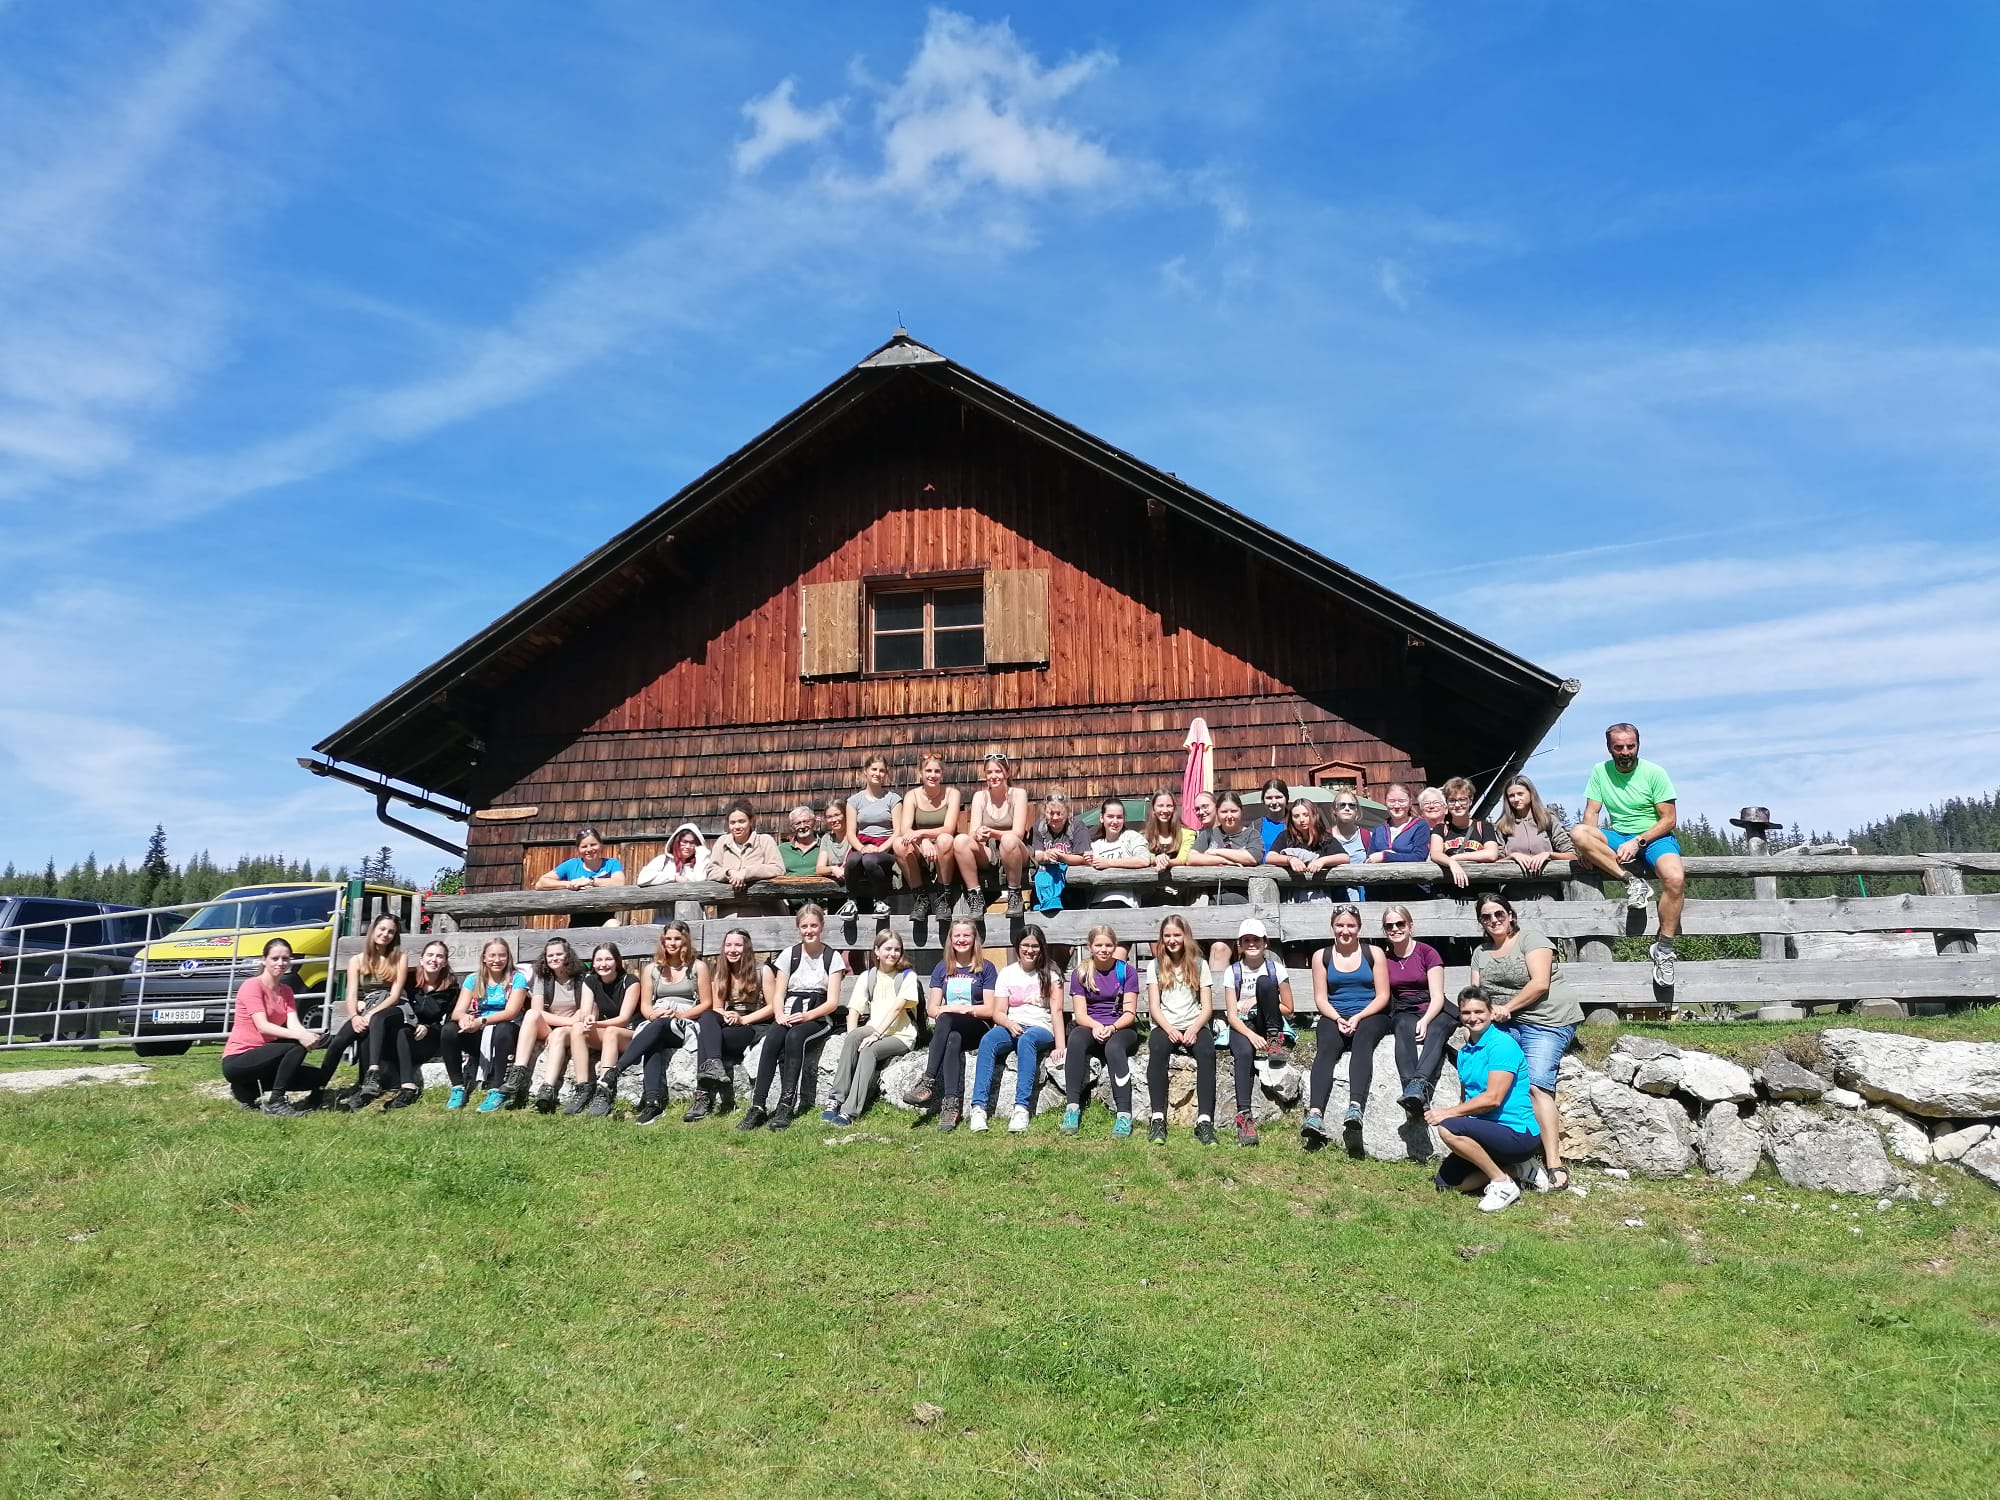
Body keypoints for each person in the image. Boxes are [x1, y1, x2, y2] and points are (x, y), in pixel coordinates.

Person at [1472, 892, 1580, 1191]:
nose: (1493, 920)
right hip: (1506, 1022)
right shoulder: (1480, 952)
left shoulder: (1532, 939)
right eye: (1486, 917)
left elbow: (1540, 983)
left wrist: (1507, 1007)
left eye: (1499, 914)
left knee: (1535, 1084)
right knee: (1495, 1078)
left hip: (1547, 1020)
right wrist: (1484, 1012)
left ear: (1510, 915)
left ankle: (1553, 1161)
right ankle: (1504, 1152)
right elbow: (1476, 991)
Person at [1570, 723, 1686, 986]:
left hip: (1655, 836)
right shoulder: (1600, 771)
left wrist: (1638, 841)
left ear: (1638, 745)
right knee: (1579, 833)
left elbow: (1669, 819)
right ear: (1609, 748)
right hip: (1618, 835)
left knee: (1675, 878)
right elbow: (1592, 812)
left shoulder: (1655, 773)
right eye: (1618, 747)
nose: (1625, 752)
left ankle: (1664, 949)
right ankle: (1633, 882)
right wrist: (1585, 848)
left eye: (1630, 746)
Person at [1426, 989, 1542, 1212]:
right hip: (1485, 1131)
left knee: (1447, 1128)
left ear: (1491, 1013)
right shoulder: (1465, 1053)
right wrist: (1458, 1114)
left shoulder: (1502, 1045)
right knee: (1447, 1185)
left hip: (1516, 1132)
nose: (1473, 1017)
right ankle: (1518, 1170)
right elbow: (1466, 1099)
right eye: (1466, 1012)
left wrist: (1447, 1113)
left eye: (1479, 1011)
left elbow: (1493, 1099)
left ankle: (1502, 1183)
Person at [740, 904, 850, 1131]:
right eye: (804, 926)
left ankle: (786, 1103)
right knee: (772, 1038)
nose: (809, 931)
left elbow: (831, 1002)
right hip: (790, 1010)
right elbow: (779, 994)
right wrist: (779, 1015)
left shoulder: (832, 957)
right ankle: (758, 1105)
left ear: (822, 926)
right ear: (798, 928)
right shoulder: (789, 954)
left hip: (817, 1015)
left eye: (814, 926)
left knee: (795, 1038)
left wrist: (808, 1015)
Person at [595, 921, 706, 1125]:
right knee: (653, 1039)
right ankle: (653, 1104)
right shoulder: (652, 969)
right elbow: (646, 1006)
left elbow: (707, 1003)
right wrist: (654, 1015)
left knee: (660, 1027)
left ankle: (615, 1071)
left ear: (685, 941)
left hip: (684, 1019)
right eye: (668, 939)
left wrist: (680, 1015)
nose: (672, 943)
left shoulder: (697, 967)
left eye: (677, 939)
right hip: (658, 1018)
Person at [1301, 904, 1390, 1144]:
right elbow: (1320, 997)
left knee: (1363, 1041)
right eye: (1340, 925)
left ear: (1359, 927)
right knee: (1327, 1047)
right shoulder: (1322, 956)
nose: (1345, 930)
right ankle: (1315, 1113)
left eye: (1351, 925)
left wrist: (1359, 1017)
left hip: (1370, 1013)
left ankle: (1355, 1106)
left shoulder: (1374, 953)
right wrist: (1337, 1018)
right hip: (1335, 1013)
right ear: (1332, 927)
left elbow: (1383, 995)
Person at [969, 924, 1065, 1133]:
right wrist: (1009, 1023)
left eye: (1035, 946)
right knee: (988, 1041)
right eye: (1025, 945)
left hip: (1040, 1027)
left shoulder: (1051, 974)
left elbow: (1056, 1012)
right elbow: (998, 1012)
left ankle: (1021, 1108)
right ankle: (978, 1108)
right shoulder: (1007, 973)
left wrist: (1060, 1045)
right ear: (1017, 947)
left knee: (1027, 1041)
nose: (1030, 950)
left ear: (1042, 948)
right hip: (1012, 1024)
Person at [904, 917, 997, 1131]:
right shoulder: (942, 968)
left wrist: (959, 1009)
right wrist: (947, 1011)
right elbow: (932, 1009)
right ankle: (950, 1105)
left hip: (977, 1026)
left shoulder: (986, 968)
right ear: (950, 939)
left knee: (946, 1017)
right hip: (953, 1030)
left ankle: (928, 1082)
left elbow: (989, 1009)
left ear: (975, 939)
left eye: (967, 935)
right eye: (957, 935)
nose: (962, 939)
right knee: (952, 1039)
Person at [221, 939, 331, 1116]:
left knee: (317, 1077)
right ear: (264, 960)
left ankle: (247, 1089)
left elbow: (294, 1022)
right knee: (296, 1045)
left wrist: (311, 1036)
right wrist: (301, 1037)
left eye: (285, 959)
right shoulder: (252, 986)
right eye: (275, 958)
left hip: (265, 1057)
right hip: (238, 1058)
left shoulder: (286, 990)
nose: (281, 963)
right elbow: (263, 1026)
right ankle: (276, 1102)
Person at [823, 929, 920, 1125]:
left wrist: (875, 1035)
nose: (892, 954)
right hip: (874, 1026)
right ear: (876, 951)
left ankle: (850, 1111)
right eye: (887, 949)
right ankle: (836, 1098)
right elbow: (854, 1010)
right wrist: (852, 1037)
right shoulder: (868, 976)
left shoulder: (908, 976)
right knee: (852, 1038)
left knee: (869, 1051)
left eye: (897, 949)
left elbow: (896, 1009)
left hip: (901, 1034)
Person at [1214, 917, 1292, 1146]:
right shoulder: (1233, 971)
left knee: (1265, 984)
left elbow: (1288, 1008)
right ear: (1239, 944)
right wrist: (1251, 1036)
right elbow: (1231, 1014)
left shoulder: (1275, 968)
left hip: (1266, 1019)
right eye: (1246, 940)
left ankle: (1275, 1040)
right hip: (1242, 1025)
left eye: (1256, 939)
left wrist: (1257, 1002)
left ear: (1265, 942)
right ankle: (1245, 1118)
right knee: (1244, 1055)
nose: (1251, 943)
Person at [1059, 925, 1140, 1137]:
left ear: (1115, 946)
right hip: (1091, 1025)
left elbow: (1130, 1013)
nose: (1103, 949)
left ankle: (1124, 1114)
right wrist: (1096, 1026)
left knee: (1114, 1048)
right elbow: (1080, 1014)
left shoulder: (1126, 972)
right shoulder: (1081, 973)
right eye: (1098, 945)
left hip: (1121, 1027)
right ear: (1089, 947)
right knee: (1075, 1039)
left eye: (1108, 945)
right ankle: (1072, 1108)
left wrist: (1112, 1028)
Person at [497, 938, 594, 1113]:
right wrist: (566, 1021)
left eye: (559, 954)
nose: (554, 958)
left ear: (568, 955)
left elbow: (585, 1011)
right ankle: (517, 1073)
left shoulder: (583, 979)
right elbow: (537, 1010)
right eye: (550, 955)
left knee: (557, 1035)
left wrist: (570, 1023)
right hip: (552, 1025)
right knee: (531, 1014)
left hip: (572, 1030)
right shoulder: (543, 979)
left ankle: (547, 1089)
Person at [1143, 914, 1216, 1145]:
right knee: (1157, 1049)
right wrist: (1169, 1028)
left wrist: (1194, 1028)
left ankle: (1204, 1120)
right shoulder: (1154, 965)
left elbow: (1207, 1007)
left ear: (1185, 936)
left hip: (1194, 1022)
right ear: (1161, 939)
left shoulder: (1199, 964)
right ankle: (1157, 1118)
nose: (1172, 940)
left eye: (1176, 935)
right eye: (1167, 936)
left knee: (1206, 1052)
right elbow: (1154, 1006)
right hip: (1166, 1024)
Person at [1374, 905, 1453, 1114]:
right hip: (1405, 1008)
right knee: (1401, 1027)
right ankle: (1413, 1096)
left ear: (1410, 926)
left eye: (1400, 924)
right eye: (1389, 925)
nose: (1395, 929)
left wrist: (1426, 1020)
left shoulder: (1427, 952)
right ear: (1384, 930)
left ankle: (1418, 1084)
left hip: (1434, 1006)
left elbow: (1438, 996)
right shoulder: (1384, 958)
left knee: (1437, 1029)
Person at [324, 914, 407, 1109]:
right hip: (366, 1008)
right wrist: (354, 1016)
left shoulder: (399, 958)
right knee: (339, 1041)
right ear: (373, 930)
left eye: (391, 932)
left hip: (391, 1007)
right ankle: (318, 1085)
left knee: (374, 1022)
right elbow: (351, 994)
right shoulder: (357, 961)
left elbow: (395, 996)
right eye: (382, 929)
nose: (385, 934)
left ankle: (371, 1077)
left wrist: (369, 1015)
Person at [362, 937, 456, 1110]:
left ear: (444, 962)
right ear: (421, 959)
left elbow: (450, 1022)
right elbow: (394, 1001)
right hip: (401, 1034)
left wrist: (428, 1028)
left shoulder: (451, 989)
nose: (434, 960)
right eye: (430, 955)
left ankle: (407, 1088)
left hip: (427, 1041)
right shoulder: (409, 980)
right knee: (397, 1029)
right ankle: (378, 1081)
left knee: (403, 1032)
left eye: (439, 957)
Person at [687, 928, 768, 1122]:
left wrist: (742, 1019)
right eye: (728, 945)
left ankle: (702, 1096)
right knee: (707, 1016)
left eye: (737, 945)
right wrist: (727, 1014)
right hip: (728, 1021)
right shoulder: (721, 971)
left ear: (746, 947)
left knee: (706, 1037)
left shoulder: (761, 970)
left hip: (751, 1024)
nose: (732, 950)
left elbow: (774, 1006)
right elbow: (717, 1007)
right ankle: (714, 1063)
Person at [445, 938, 528, 1112]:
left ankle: (496, 1089)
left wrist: (481, 1021)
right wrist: (464, 1019)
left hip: (506, 1030)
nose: (497, 960)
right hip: (478, 1028)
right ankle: (458, 1087)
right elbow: (457, 1011)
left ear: (508, 957)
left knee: (503, 1028)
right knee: (449, 1030)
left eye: (501, 955)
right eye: (492, 956)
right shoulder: (473, 979)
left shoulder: (517, 979)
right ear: (484, 958)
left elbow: (511, 1012)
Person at [1188, 791, 1264, 969]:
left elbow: (1253, 857)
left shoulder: (1251, 834)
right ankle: (1217, 996)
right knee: (1218, 949)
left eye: (1233, 811)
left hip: (1245, 905)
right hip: (1215, 906)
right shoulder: (1208, 835)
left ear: (1241, 811)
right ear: (1218, 812)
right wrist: (1227, 861)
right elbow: (1192, 858)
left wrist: (1216, 852)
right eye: (1224, 812)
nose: (1229, 816)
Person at [952, 749, 1030, 916]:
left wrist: (993, 833)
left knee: (1009, 840)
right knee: (960, 841)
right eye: (989, 772)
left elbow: (1018, 834)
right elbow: (972, 832)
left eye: (998, 771)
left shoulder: (1018, 794)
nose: (993, 776)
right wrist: (978, 833)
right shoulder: (980, 796)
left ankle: (1014, 895)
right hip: (990, 851)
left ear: (1007, 773)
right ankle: (975, 896)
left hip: (1015, 849)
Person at [891, 752, 962, 920]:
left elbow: (949, 828)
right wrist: (922, 841)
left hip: (944, 846)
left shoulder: (952, 794)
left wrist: (922, 833)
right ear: (921, 773)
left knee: (945, 839)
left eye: (937, 771)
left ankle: (942, 896)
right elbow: (905, 829)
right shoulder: (912, 795)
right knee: (899, 844)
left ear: (942, 774)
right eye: (928, 771)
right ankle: (920, 898)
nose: (932, 775)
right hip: (920, 847)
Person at [572, 942, 640, 1116]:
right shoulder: (590, 981)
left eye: (608, 959)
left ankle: (604, 1090)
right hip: (607, 1032)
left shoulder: (630, 982)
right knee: (578, 1028)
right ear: (593, 964)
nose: (603, 964)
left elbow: (624, 1020)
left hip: (630, 1034)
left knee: (611, 1031)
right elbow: (586, 1010)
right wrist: (588, 1018)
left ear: (617, 961)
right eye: (599, 960)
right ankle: (583, 1087)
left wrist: (598, 1024)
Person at [841, 755, 903, 916]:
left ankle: (881, 901)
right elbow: (850, 832)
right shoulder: (854, 801)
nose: (877, 773)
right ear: (866, 772)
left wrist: (880, 849)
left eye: (882, 770)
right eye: (874, 769)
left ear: (886, 774)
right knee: (853, 860)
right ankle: (851, 901)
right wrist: (862, 848)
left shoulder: (893, 799)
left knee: (869, 860)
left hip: (886, 847)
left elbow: (898, 831)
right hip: (862, 844)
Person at [535, 826, 626, 925]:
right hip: (577, 923)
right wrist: (568, 884)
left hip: (606, 920)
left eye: (593, 844)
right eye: (584, 846)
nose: (589, 849)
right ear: (578, 849)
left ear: (600, 845)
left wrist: (591, 881)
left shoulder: (611, 863)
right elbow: (540, 883)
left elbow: (619, 882)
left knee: (614, 925)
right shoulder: (571, 865)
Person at [1264, 797, 1347, 902]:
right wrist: (1290, 860)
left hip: (1321, 896)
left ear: (1314, 815)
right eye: (1296, 816)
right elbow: (1270, 857)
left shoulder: (1324, 837)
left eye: (1306, 815)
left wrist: (1322, 861)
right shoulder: (1285, 836)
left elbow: (1344, 857)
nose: (1301, 820)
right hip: (1291, 897)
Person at [1494, 774, 1575, 879]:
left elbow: (1572, 855)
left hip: (1549, 889)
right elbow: (1495, 861)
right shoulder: (1502, 825)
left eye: (1520, 794)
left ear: (1531, 794)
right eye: (1511, 796)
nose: (1516, 799)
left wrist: (1549, 854)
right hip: (1511, 890)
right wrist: (1512, 856)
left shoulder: (1548, 819)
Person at [711, 801, 784, 916]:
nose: (737, 826)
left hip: (764, 913)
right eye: (733, 822)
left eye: (741, 821)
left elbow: (778, 868)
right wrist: (729, 872)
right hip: (730, 915)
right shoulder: (722, 842)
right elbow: (711, 870)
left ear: (750, 821)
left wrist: (746, 873)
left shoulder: (764, 841)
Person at [1429, 777, 1500, 890]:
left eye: (1462, 799)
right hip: (1450, 890)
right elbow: (1435, 854)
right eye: (1452, 800)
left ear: (1470, 801)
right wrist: (1451, 863)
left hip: (1481, 889)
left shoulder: (1484, 827)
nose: (1457, 805)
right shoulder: (1440, 829)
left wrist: (1456, 858)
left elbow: (1491, 854)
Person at [1026, 790, 1089, 915]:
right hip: (1044, 887)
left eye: (1059, 813)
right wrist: (1045, 855)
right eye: (1050, 813)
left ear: (1068, 813)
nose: (1054, 818)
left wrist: (1061, 857)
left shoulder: (1077, 826)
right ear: (1045, 811)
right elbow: (1035, 855)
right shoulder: (1038, 827)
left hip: (1073, 889)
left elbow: (1083, 859)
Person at [1084, 797, 1151, 908]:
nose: (1115, 821)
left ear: (1124, 819)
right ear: (1102, 818)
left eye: (1119, 817)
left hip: (1125, 901)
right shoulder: (1094, 846)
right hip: (1096, 901)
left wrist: (1108, 863)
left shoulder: (1132, 837)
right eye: (1110, 816)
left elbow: (1143, 860)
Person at [1364, 784, 1431, 863]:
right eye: (1392, 801)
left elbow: (1419, 857)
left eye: (1402, 801)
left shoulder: (1420, 826)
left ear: (1410, 802)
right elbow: (1370, 858)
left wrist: (1385, 856)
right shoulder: (1379, 829)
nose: (1396, 806)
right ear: (1385, 802)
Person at [1323, 790, 1369, 901]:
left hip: (1364, 899)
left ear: (1357, 811)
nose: (1347, 808)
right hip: (1333, 899)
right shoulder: (1325, 838)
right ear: (1334, 810)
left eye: (1352, 805)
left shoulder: (1367, 836)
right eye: (1342, 805)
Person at [634, 822, 711, 886]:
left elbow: (700, 881)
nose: (688, 846)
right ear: (677, 842)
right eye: (684, 842)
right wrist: (674, 878)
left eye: (692, 843)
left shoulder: (699, 863)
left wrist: (702, 855)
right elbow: (642, 879)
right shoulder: (663, 860)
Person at [1256, 778, 1291, 855]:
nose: (1274, 802)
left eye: (1278, 797)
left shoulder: (1295, 824)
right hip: (1261, 867)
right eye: (1269, 798)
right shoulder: (1256, 826)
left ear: (1286, 798)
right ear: (1263, 800)